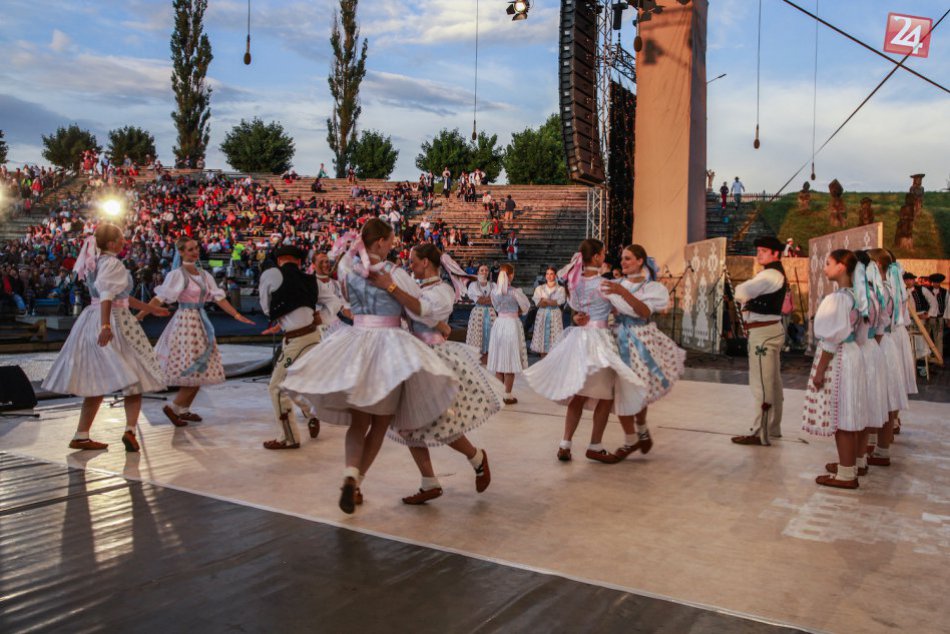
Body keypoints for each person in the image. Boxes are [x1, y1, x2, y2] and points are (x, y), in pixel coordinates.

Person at [281, 219, 458, 514]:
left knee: (358, 422)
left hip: (357, 342)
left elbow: (348, 303)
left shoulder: (349, 271)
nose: (393, 246)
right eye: (390, 241)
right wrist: (437, 323)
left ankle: (350, 474)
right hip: (387, 345)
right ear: (379, 243)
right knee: (379, 424)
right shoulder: (394, 273)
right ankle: (357, 481)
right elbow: (416, 309)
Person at [374, 244, 502, 505]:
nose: (410, 265)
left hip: (433, 357)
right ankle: (429, 481)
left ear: (426, 262)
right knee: (409, 424)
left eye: (414, 261)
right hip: (413, 357)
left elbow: (423, 312)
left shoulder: (443, 291)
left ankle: (476, 458)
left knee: (439, 420)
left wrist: (394, 289)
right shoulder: (415, 288)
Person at [42, 223, 169, 452]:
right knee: (136, 376)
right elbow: (108, 296)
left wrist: (152, 309)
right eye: (120, 239)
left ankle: (82, 434)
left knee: (98, 378)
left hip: (92, 317)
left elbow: (122, 297)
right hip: (114, 320)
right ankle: (130, 430)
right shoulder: (112, 263)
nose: (124, 242)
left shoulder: (95, 263)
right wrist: (106, 325)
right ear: (111, 243)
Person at [524, 239, 646, 463]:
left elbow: (577, 311)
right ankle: (595, 445)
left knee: (579, 395)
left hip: (579, 340)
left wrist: (579, 317)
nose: (605, 257)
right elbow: (633, 309)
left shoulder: (575, 283)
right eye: (603, 253)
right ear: (597, 257)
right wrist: (622, 296)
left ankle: (565, 443)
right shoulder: (605, 285)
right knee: (606, 396)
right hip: (599, 340)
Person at [145, 237, 254, 426]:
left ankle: (183, 409)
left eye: (196, 248)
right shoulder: (177, 274)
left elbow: (219, 299)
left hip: (200, 322)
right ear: (181, 252)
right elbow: (160, 298)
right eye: (190, 249)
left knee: (201, 368)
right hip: (185, 323)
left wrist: (236, 315)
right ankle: (173, 407)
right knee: (195, 369)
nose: (195, 252)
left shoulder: (205, 275)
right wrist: (141, 313)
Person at [601, 244, 686, 460]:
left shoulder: (651, 288)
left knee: (637, 389)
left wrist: (622, 293)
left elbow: (644, 311)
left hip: (640, 340)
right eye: (622, 258)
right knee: (620, 390)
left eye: (628, 258)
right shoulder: (616, 285)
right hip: (616, 337)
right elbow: (603, 308)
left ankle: (641, 429)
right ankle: (631, 440)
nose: (623, 262)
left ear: (640, 261)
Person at [802, 249, 867, 489]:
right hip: (852, 353)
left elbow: (830, 340)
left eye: (828, 263)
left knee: (841, 417)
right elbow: (861, 334)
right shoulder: (856, 295)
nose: (825, 268)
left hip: (839, 358)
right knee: (849, 414)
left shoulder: (839, 299)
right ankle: (849, 465)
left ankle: (846, 474)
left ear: (841, 266)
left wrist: (819, 371)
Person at [258, 245, 323, 450]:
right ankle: (311, 412)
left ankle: (289, 437)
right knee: (291, 383)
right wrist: (320, 317)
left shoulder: (271, 275)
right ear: (299, 261)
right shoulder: (312, 280)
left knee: (276, 387)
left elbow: (266, 308)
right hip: (311, 336)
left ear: (279, 261)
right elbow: (334, 303)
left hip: (297, 341)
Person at [731, 236, 787, 446]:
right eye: (759, 250)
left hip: (763, 333)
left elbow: (741, 291)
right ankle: (772, 427)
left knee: (761, 384)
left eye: (764, 251)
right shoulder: (773, 273)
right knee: (772, 381)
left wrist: (744, 294)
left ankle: (760, 432)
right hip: (768, 331)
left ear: (775, 253)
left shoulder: (770, 274)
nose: (759, 254)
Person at [487, 263, 531, 404]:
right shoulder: (515, 292)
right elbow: (526, 306)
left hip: (499, 323)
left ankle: (500, 394)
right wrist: (517, 312)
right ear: (511, 275)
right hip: (511, 324)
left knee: (500, 360)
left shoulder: (495, 292)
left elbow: (496, 307)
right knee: (509, 361)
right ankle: (507, 395)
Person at [530, 267, 566, 357]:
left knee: (555, 342)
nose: (549, 276)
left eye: (551, 274)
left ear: (555, 275)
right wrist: (551, 301)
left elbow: (557, 303)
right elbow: (539, 304)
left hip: (555, 315)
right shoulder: (539, 288)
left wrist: (545, 300)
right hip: (542, 315)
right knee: (542, 343)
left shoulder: (560, 289)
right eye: (547, 274)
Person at [465, 264, 496, 364]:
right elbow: (479, 301)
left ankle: (490, 360)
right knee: (477, 337)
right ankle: (477, 360)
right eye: (482, 270)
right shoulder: (473, 285)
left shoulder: (493, 285)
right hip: (478, 313)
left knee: (492, 335)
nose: (484, 272)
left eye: (486, 270)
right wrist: (489, 299)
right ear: (478, 272)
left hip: (491, 314)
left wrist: (486, 299)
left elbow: (495, 300)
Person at [925, 273, 947, 355]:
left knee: (939, 338)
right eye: (935, 282)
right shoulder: (927, 291)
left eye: (938, 282)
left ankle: (939, 356)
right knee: (926, 337)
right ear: (932, 282)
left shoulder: (944, 292)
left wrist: (946, 318)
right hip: (929, 318)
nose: (936, 284)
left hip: (940, 317)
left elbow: (946, 305)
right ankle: (926, 355)